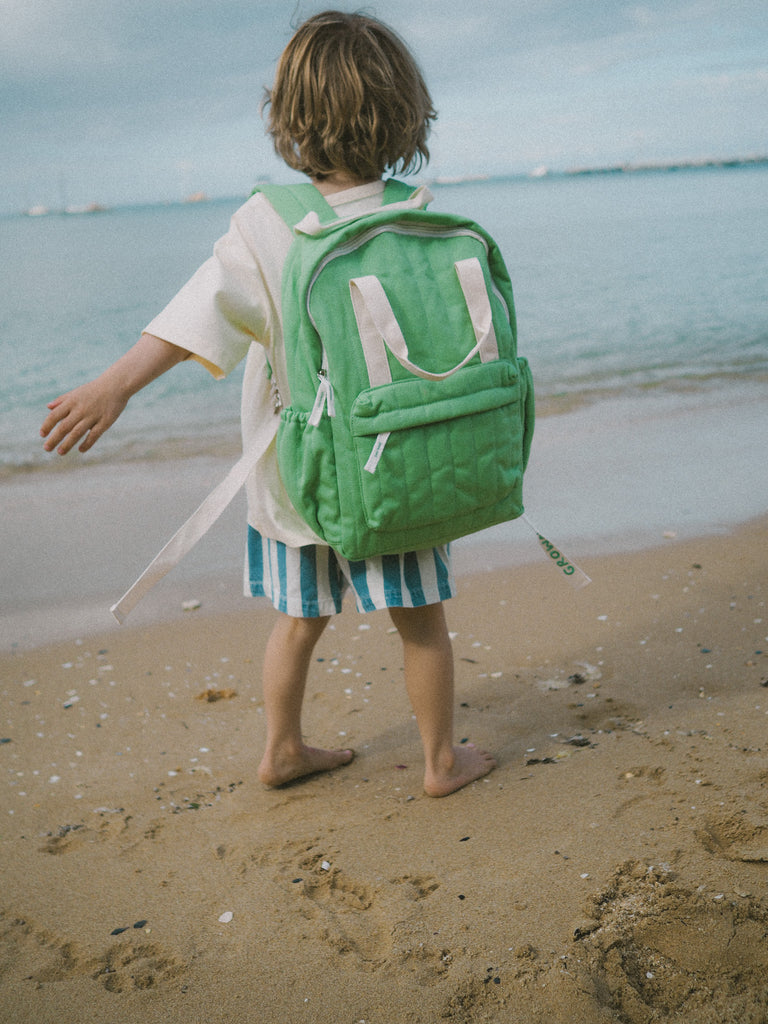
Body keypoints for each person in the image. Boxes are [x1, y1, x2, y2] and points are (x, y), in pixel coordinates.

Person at [40, 10, 497, 798]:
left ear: (288, 117)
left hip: (301, 474)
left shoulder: (267, 225)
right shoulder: (418, 214)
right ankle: (440, 763)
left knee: (298, 619)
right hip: (400, 464)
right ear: (404, 113)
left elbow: (196, 315)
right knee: (422, 621)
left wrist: (115, 385)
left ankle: (282, 750)